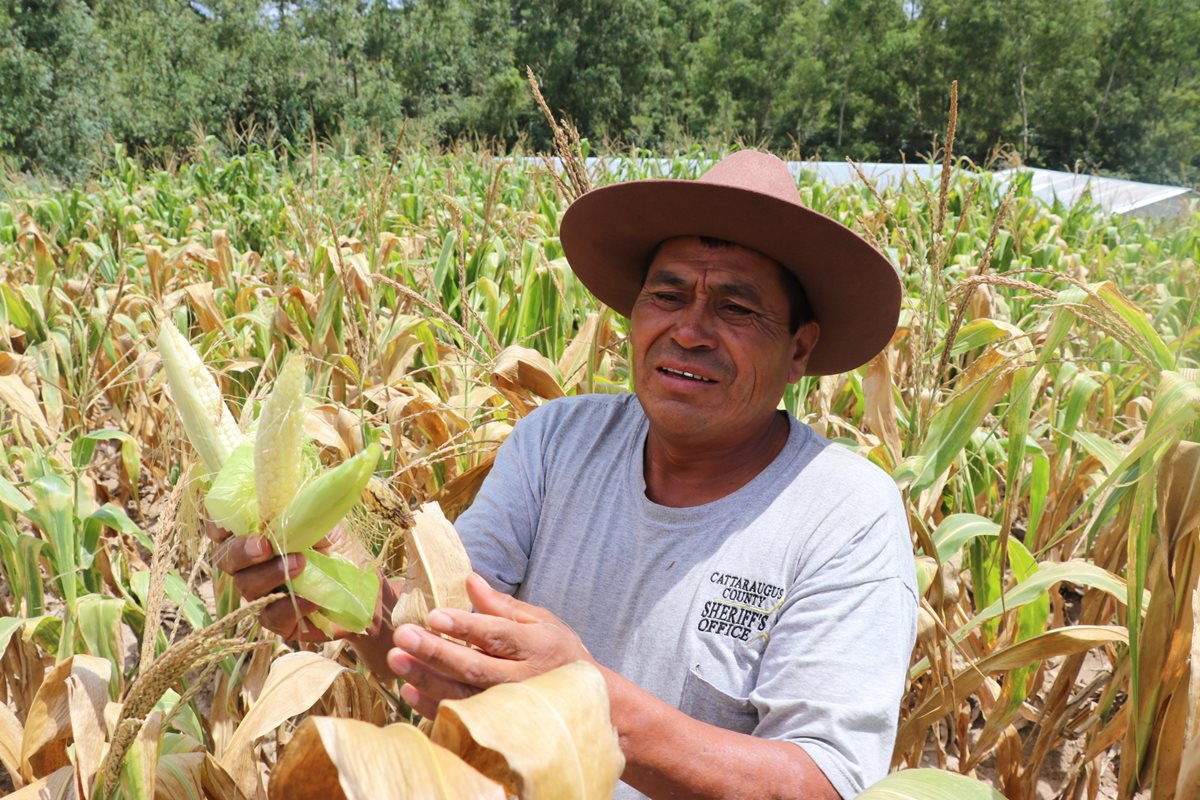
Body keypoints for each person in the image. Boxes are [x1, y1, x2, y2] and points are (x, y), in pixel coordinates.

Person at [209, 151, 918, 799]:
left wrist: (586, 702)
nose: (691, 330)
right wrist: (337, 581)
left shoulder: (844, 513)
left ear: (799, 350)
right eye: (668, 296)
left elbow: (824, 784)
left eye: (736, 307)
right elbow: (451, 632)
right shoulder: (557, 442)